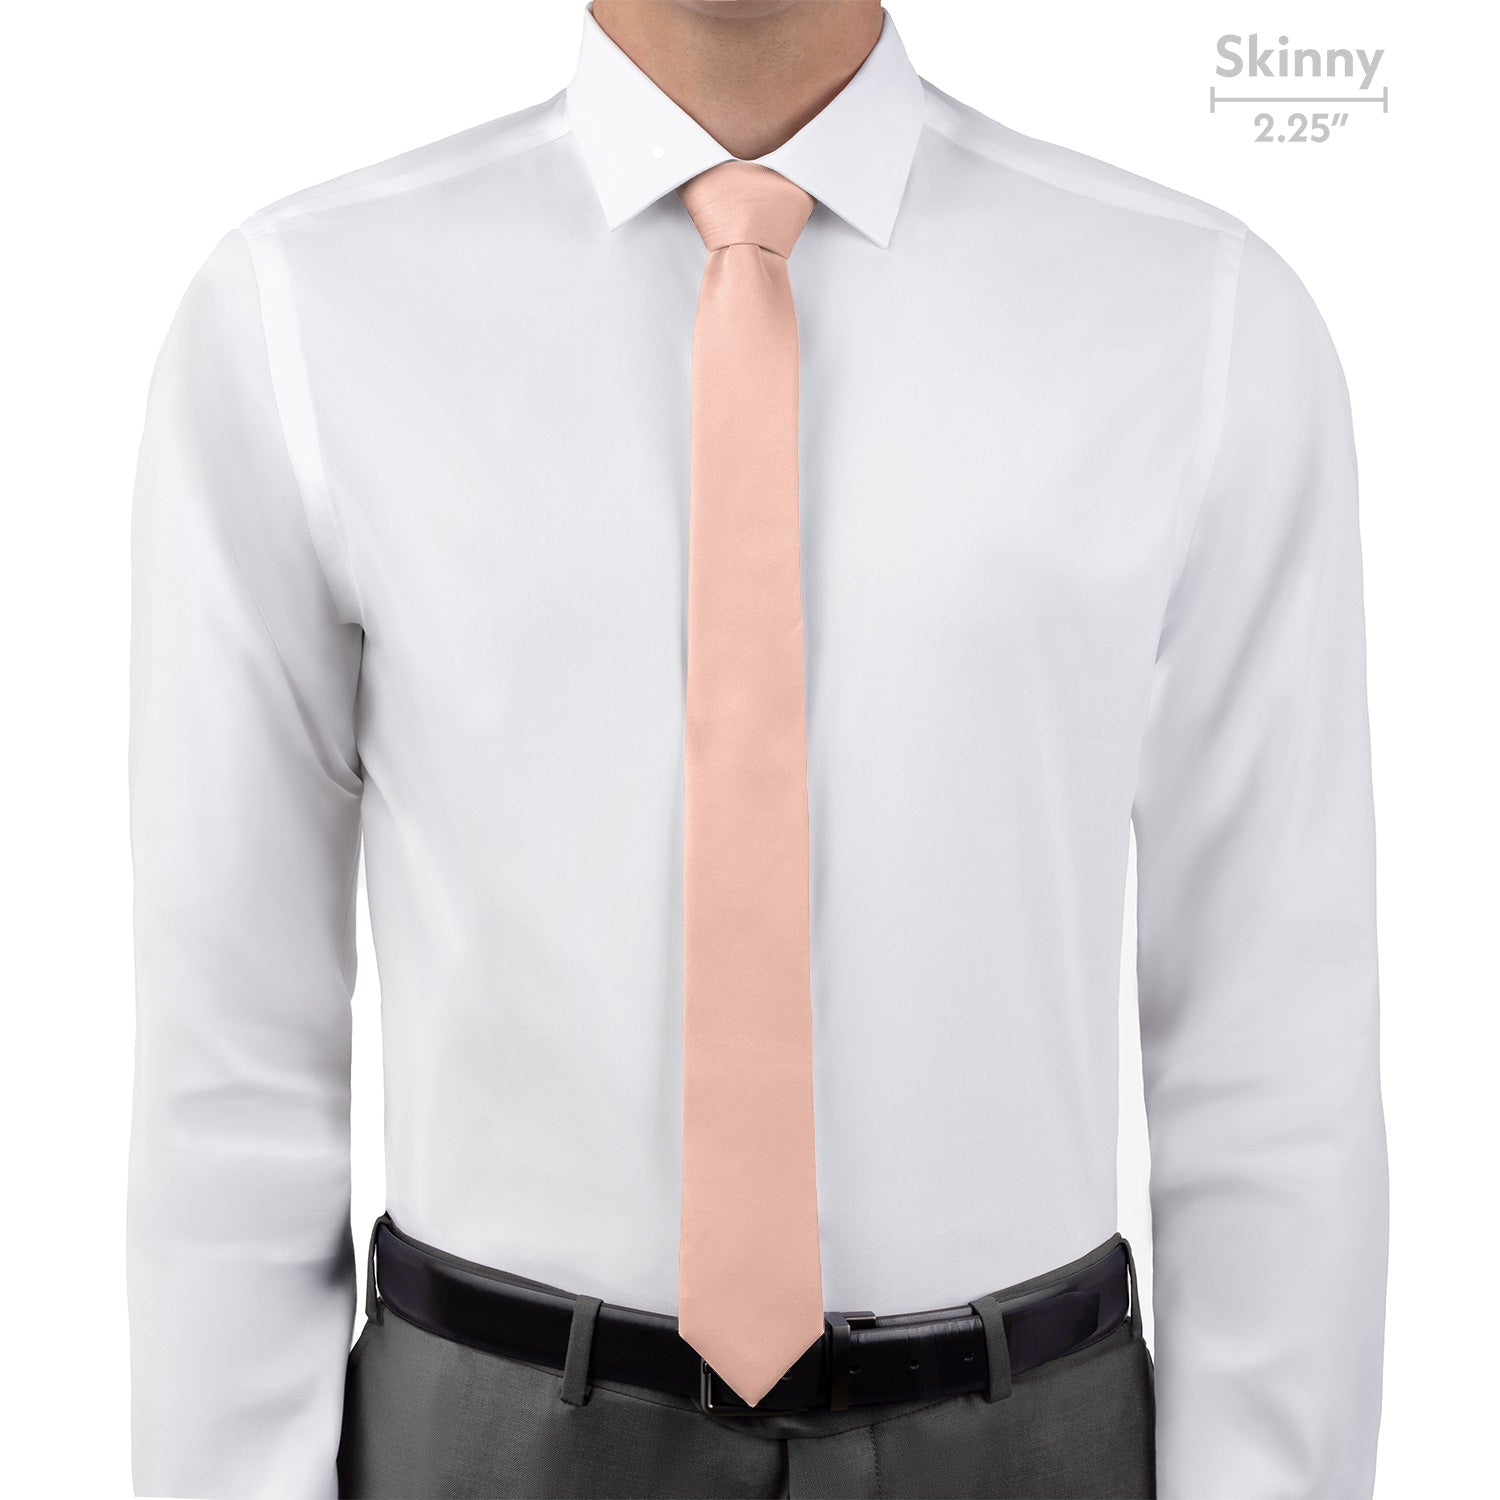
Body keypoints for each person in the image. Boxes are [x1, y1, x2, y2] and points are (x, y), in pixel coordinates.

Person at [125, 2, 1388, 1496]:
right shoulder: (299, 319)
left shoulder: (1199, 321)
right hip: (486, 1436)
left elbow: (1271, 1050)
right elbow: (233, 1061)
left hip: (1025, 1436)